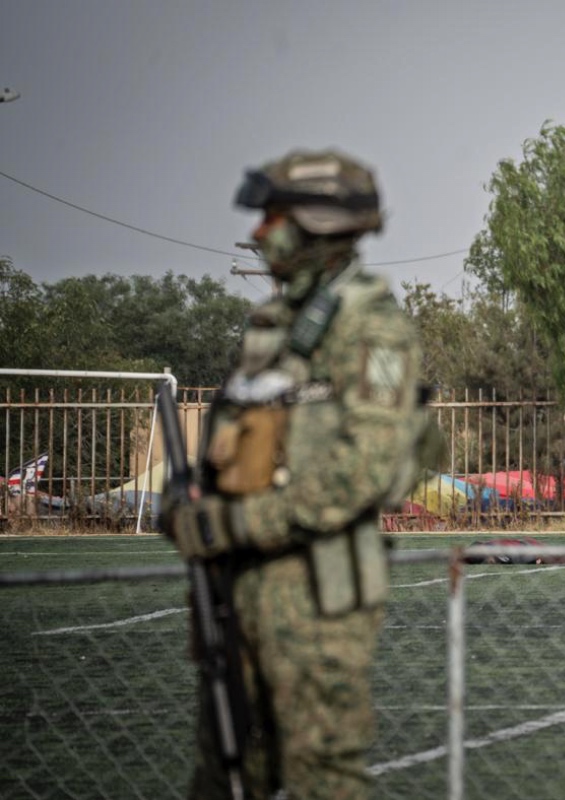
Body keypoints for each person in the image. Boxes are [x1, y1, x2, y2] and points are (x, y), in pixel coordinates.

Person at [163, 149, 428, 799]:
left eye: (272, 217)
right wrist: (187, 500)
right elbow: (231, 446)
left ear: (316, 225)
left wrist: (234, 523)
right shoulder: (271, 328)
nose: (258, 233)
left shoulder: (373, 327)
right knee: (226, 775)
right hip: (237, 588)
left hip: (316, 594)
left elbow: (365, 469)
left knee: (322, 778)